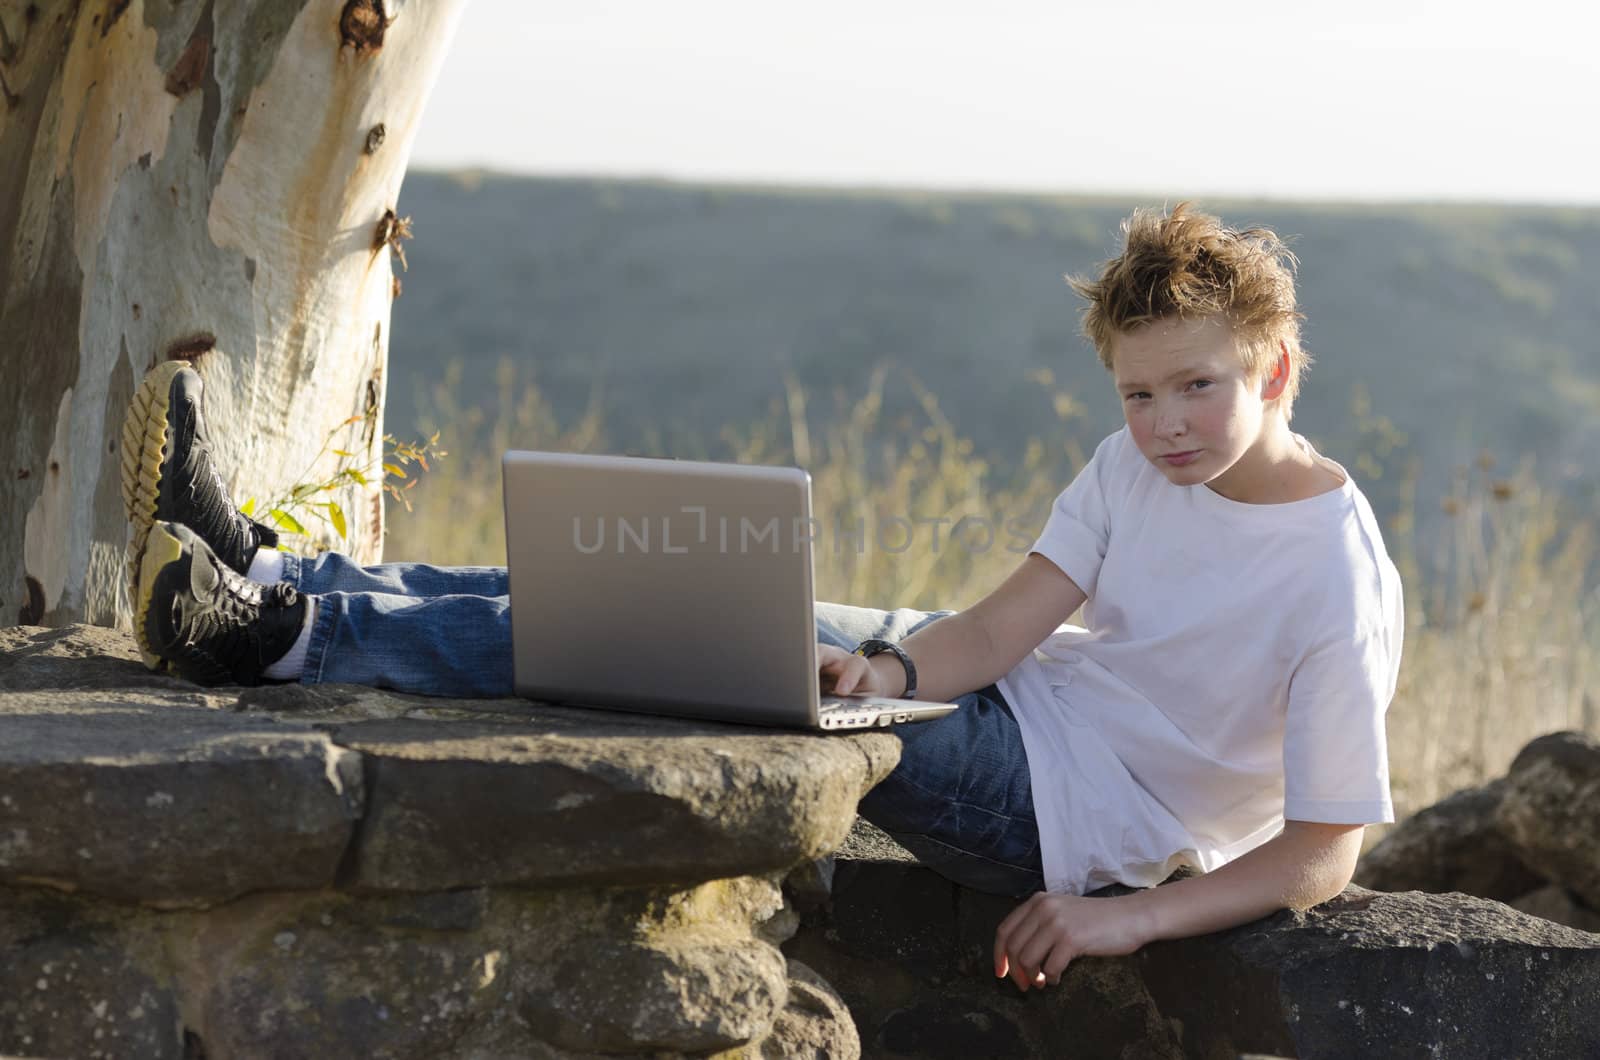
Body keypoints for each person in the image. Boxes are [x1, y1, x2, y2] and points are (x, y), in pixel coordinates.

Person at [125, 202, 1401, 996]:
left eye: (1196, 389)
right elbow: (1004, 626)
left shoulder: (1330, 575)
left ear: (1274, 369)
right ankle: (279, 565)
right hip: (1019, 703)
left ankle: (279, 643)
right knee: (647, 582)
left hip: (1076, 820)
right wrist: (891, 672)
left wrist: (1132, 923)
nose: (1163, 425)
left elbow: (1323, 850)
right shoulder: (1135, 465)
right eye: (1137, 393)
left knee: (673, 645)